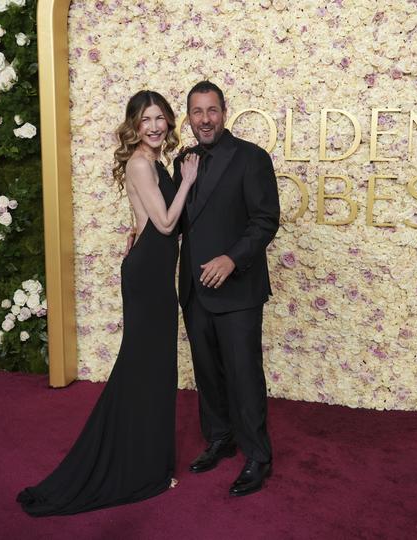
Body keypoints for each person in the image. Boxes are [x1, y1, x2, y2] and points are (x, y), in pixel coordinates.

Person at [16, 90, 199, 516]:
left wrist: (138, 233)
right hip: (149, 278)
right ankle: (141, 470)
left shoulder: (152, 162)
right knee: (145, 369)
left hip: (151, 270)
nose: (155, 126)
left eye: (160, 119)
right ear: (134, 126)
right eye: (146, 120)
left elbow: (147, 220)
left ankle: (149, 464)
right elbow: (168, 222)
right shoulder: (139, 162)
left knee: (153, 370)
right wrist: (188, 181)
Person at [173, 81, 280, 496]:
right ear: (188, 118)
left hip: (237, 289)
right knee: (207, 373)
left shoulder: (251, 158)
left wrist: (232, 258)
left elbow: (265, 219)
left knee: (243, 374)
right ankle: (220, 438)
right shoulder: (183, 160)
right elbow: (174, 218)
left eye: (212, 110)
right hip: (195, 290)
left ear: (224, 111)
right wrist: (139, 231)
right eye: (197, 112)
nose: (205, 119)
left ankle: (258, 456)